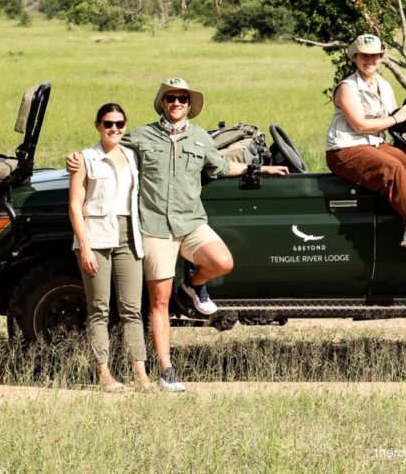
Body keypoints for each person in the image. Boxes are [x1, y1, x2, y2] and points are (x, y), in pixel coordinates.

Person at [69, 78, 288, 392]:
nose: (176, 103)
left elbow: (222, 165)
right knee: (157, 302)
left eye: (182, 99)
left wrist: (261, 170)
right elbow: (109, 149)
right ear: (162, 103)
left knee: (222, 261)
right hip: (155, 227)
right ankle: (166, 370)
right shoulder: (140, 137)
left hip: (190, 223)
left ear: (189, 105)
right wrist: (76, 158)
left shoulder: (200, 138)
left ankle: (193, 286)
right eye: (170, 98)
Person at [325, 34, 406, 248]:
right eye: (364, 56)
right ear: (355, 57)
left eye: (375, 56)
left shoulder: (383, 85)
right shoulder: (347, 88)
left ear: (382, 58)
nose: (370, 60)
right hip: (345, 149)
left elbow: (397, 122)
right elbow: (360, 125)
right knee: (392, 167)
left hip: (374, 144)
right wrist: (397, 118)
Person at [68, 103, 150, 392]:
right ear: (97, 125)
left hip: (129, 235)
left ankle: (141, 374)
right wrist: (85, 247)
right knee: (99, 308)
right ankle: (104, 373)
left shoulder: (132, 156)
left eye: (119, 123)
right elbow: (75, 206)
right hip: (96, 236)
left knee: (132, 309)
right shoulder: (85, 159)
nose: (113, 128)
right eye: (107, 123)